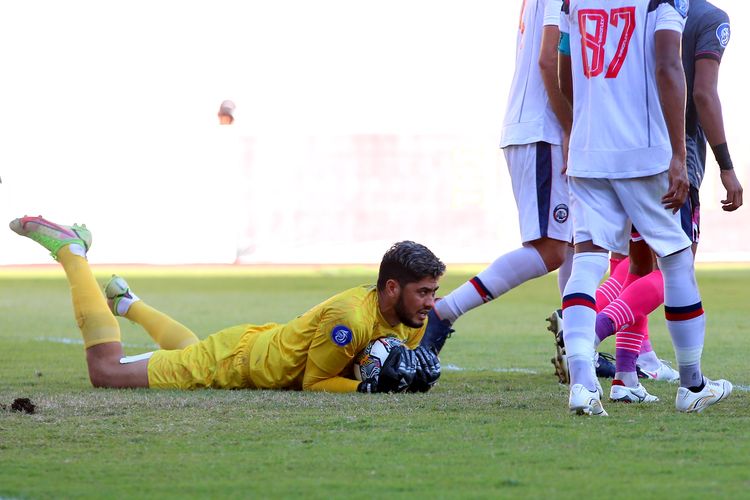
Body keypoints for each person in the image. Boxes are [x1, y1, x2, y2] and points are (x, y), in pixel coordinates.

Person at [10, 216, 443, 393]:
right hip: (237, 363)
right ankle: (71, 252)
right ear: (391, 287)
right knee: (106, 372)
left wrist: (398, 375)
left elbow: (368, 361)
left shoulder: (411, 317)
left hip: (254, 346)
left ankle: (127, 303)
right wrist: (372, 387)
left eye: (432, 291)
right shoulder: (349, 318)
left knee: (190, 350)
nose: (430, 302)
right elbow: (315, 383)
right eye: (423, 292)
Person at [557, 0, 732, 415]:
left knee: (587, 261)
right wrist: (676, 154)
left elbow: (565, 74)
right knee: (674, 259)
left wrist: (582, 127)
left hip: (589, 148)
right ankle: (692, 384)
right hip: (643, 150)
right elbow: (668, 65)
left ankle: (582, 383)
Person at [419, 0, 574, 353]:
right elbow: (549, 59)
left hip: (536, 127)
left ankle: (578, 345)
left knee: (578, 242)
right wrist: (569, 128)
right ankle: (444, 311)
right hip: (544, 130)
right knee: (552, 251)